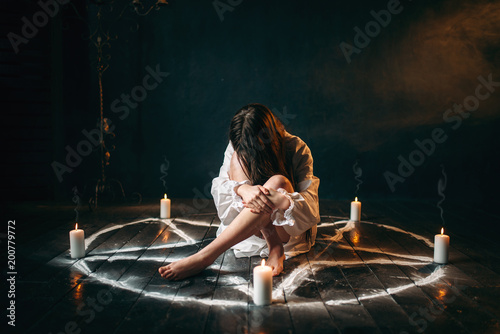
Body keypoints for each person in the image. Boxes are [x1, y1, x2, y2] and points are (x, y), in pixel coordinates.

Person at [159, 103, 320, 280]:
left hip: (286, 233)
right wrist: (243, 189)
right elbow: (221, 187)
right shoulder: (237, 147)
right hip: (250, 232)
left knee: (278, 181)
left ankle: (205, 256)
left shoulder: (296, 147)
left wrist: (281, 200)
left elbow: (311, 205)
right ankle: (272, 247)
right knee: (237, 160)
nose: (247, 154)